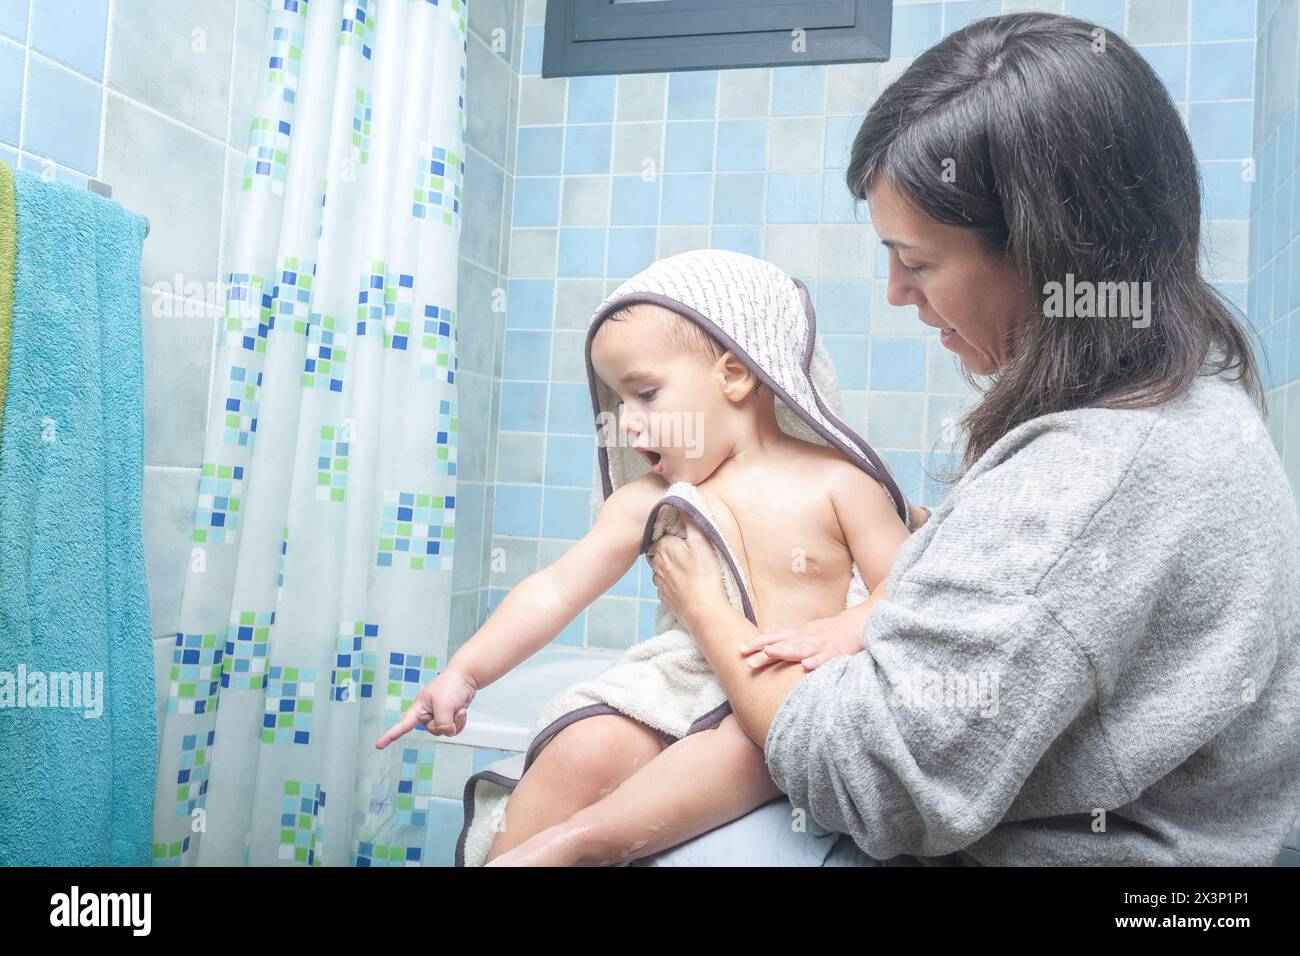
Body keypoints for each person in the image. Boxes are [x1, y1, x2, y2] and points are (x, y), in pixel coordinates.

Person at [642, 12, 1300, 866]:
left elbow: (864, 777)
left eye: (915, 262)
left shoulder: (1097, 469)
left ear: (1049, 255)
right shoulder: (1192, 401)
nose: (893, 294)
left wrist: (704, 605)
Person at [378, 264, 924, 865]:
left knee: (755, 742)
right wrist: (466, 672)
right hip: (685, 682)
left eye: (645, 393)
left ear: (736, 374)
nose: (627, 421)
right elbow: (557, 589)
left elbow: (904, 592)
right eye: (615, 400)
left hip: (782, 695)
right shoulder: (652, 500)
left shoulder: (838, 482)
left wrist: (843, 629)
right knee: (582, 747)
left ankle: (575, 847)